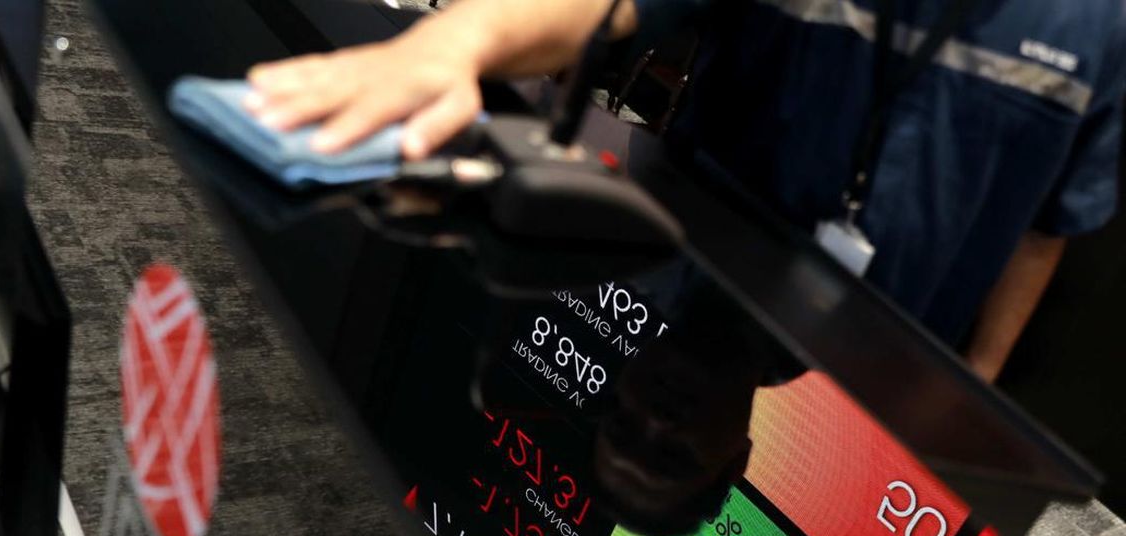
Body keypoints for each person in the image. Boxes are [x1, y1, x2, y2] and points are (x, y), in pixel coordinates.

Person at [244, 0, 1126, 382]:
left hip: (878, 374)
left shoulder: (1101, 25)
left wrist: (976, 382)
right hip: (689, 283)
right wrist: (457, 41)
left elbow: (1049, 225)